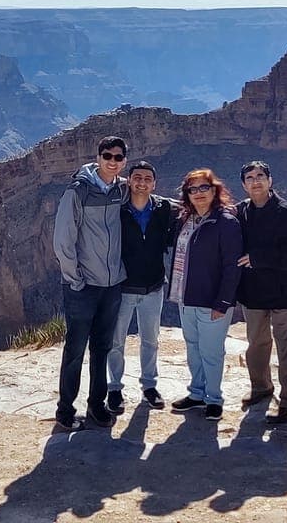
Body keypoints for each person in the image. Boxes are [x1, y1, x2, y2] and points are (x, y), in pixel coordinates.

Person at [52, 136, 129, 431]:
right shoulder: (78, 192)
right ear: (98, 157)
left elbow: (151, 201)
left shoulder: (121, 190)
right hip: (82, 288)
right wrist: (75, 280)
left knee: (102, 348)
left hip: (112, 285)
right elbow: (62, 240)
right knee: (75, 350)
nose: (112, 160)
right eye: (107, 155)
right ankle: (65, 410)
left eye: (118, 157)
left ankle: (96, 406)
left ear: (124, 161)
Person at [236, 160, 287, 424]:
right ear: (243, 185)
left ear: (270, 180)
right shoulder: (240, 212)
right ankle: (261, 388)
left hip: (282, 294)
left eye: (260, 176)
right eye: (250, 178)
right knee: (256, 345)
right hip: (252, 293)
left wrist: (257, 258)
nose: (255, 181)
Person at [168, 168, 243, 421]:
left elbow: (232, 267)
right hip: (186, 296)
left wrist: (223, 301)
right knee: (193, 348)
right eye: (193, 189)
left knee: (211, 351)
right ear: (187, 194)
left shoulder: (226, 222)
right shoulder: (185, 220)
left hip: (213, 300)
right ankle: (197, 393)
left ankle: (214, 398)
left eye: (204, 188)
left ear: (215, 190)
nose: (199, 193)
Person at [106, 160, 176, 414]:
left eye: (147, 178)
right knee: (116, 341)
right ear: (129, 180)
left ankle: (149, 386)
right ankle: (114, 389)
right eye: (137, 177)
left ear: (154, 184)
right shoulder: (118, 210)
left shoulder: (164, 208)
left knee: (151, 340)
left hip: (154, 287)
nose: (142, 182)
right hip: (123, 288)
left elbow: (192, 213)